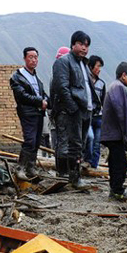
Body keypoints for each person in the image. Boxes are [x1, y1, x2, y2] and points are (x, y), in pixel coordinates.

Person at [52, 31, 95, 188]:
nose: (84, 48)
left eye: (87, 45)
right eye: (81, 44)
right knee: (73, 144)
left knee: (81, 144)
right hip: (74, 111)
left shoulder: (83, 64)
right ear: (73, 44)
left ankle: (74, 176)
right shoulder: (63, 62)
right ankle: (73, 178)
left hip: (86, 110)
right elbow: (61, 87)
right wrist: (73, 108)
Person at [9, 47, 48, 180]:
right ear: (25, 58)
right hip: (27, 112)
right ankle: (20, 168)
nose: (33, 60)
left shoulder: (35, 77)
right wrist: (39, 101)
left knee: (36, 141)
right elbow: (21, 95)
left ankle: (31, 167)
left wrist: (46, 101)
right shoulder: (18, 76)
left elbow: (42, 94)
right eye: (30, 57)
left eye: (36, 57)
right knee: (30, 140)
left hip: (38, 113)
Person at [100, 62, 127, 200]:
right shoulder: (118, 87)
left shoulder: (116, 86)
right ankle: (117, 191)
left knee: (116, 162)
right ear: (123, 75)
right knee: (120, 164)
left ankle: (115, 189)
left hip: (113, 133)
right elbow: (121, 112)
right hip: (114, 134)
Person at [48, 46, 71, 158]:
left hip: (60, 112)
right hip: (62, 112)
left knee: (61, 142)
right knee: (63, 142)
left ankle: (62, 169)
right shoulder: (60, 76)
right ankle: (63, 170)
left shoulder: (56, 75)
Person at [83, 55, 106, 168]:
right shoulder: (85, 81)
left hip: (99, 117)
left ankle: (94, 166)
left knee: (97, 143)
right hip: (88, 116)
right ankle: (86, 160)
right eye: (98, 66)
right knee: (89, 138)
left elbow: (103, 101)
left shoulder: (102, 84)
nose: (99, 69)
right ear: (91, 66)